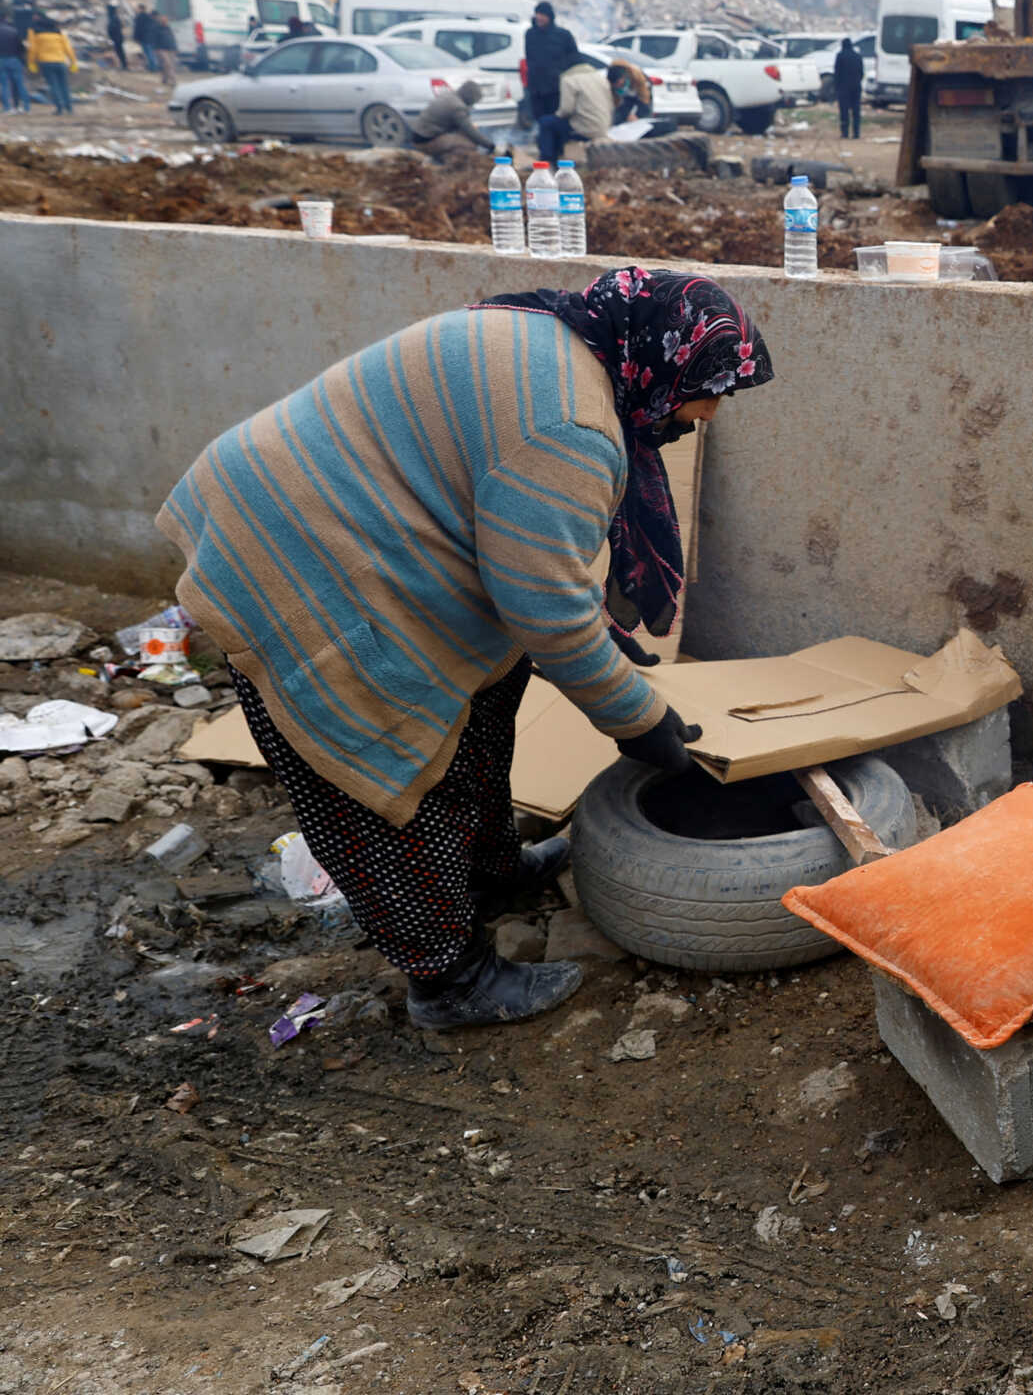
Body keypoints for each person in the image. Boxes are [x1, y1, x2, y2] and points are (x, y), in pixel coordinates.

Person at [157, 270, 775, 1029]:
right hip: (296, 562)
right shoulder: (572, 425)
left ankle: (488, 871)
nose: (707, 411)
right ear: (661, 355)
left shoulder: (568, 341)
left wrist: (601, 645)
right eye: (706, 387)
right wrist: (635, 719)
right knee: (397, 756)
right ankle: (450, 980)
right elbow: (545, 608)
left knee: (490, 687)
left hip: (339, 521)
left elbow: (535, 555)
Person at [536, 55, 611, 163]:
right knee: (558, 124)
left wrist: (556, 115)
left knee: (546, 122)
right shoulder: (599, 77)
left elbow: (566, 110)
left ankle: (547, 161)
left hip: (585, 129)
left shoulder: (569, 79)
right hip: (603, 127)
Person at [521, 0, 578, 126]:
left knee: (556, 120)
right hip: (536, 89)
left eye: (542, 14)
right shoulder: (530, 34)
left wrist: (560, 73)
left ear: (549, 17)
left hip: (556, 89)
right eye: (537, 14)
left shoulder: (563, 35)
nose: (539, 17)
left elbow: (574, 58)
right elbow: (529, 58)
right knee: (540, 121)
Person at [410, 79, 493, 164]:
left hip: (421, 135)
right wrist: (491, 146)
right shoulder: (457, 107)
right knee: (469, 145)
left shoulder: (449, 96)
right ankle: (447, 163)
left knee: (463, 137)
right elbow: (471, 132)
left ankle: (438, 158)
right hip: (425, 142)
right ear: (470, 96)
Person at [25, 14, 77, 115]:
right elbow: (68, 48)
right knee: (64, 85)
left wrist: (31, 62)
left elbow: (32, 49)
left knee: (54, 85)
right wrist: (73, 62)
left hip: (46, 63)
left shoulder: (35, 33)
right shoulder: (59, 34)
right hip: (60, 62)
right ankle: (69, 108)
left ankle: (59, 108)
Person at [136, 4, 178, 88]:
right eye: (164, 20)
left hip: (170, 48)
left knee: (169, 65)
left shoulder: (168, 28)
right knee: (167, 64)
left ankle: (165, 79)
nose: (165, 21)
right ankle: (173, 80)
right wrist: (155, 48)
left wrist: (175, 47)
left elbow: (172, 38)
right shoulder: (156, 27)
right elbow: (153, 38)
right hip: (161, 49)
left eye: (166, 20)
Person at [832, 35, 864, 140]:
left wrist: (836, 87)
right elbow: (861, 73)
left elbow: (837, 73)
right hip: (856, 87)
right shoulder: (858, 56)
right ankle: (856, 133)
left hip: (843, 88)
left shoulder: (840, 56)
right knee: (856, 111)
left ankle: (845, 133)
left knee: (844, 111)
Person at [606, 55, 652, 126]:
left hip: (642, 94)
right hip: (627, 98)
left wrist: (636, 116)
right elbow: (617, 104)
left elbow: (645, 100)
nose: (619, 88)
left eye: (621, 84)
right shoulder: (610, 82)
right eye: (616, 87)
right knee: (618, 116)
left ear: (625, 76)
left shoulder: (639, 78)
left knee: (643, 116)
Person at [0, 9, 24, 113]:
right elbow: (21, 47)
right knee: (18, 84)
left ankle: (7, 108)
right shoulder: (13, 30)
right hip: (14, 59)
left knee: (4, 84)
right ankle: (21, 106)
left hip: (1, 59)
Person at [104, 0, 127, 71]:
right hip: (117, 38)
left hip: (117, 38)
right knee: (119, 52)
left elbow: (112, 28)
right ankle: (123, 65)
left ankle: (124, 65)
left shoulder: (114, 18)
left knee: (120, 52)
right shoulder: (114, 17)